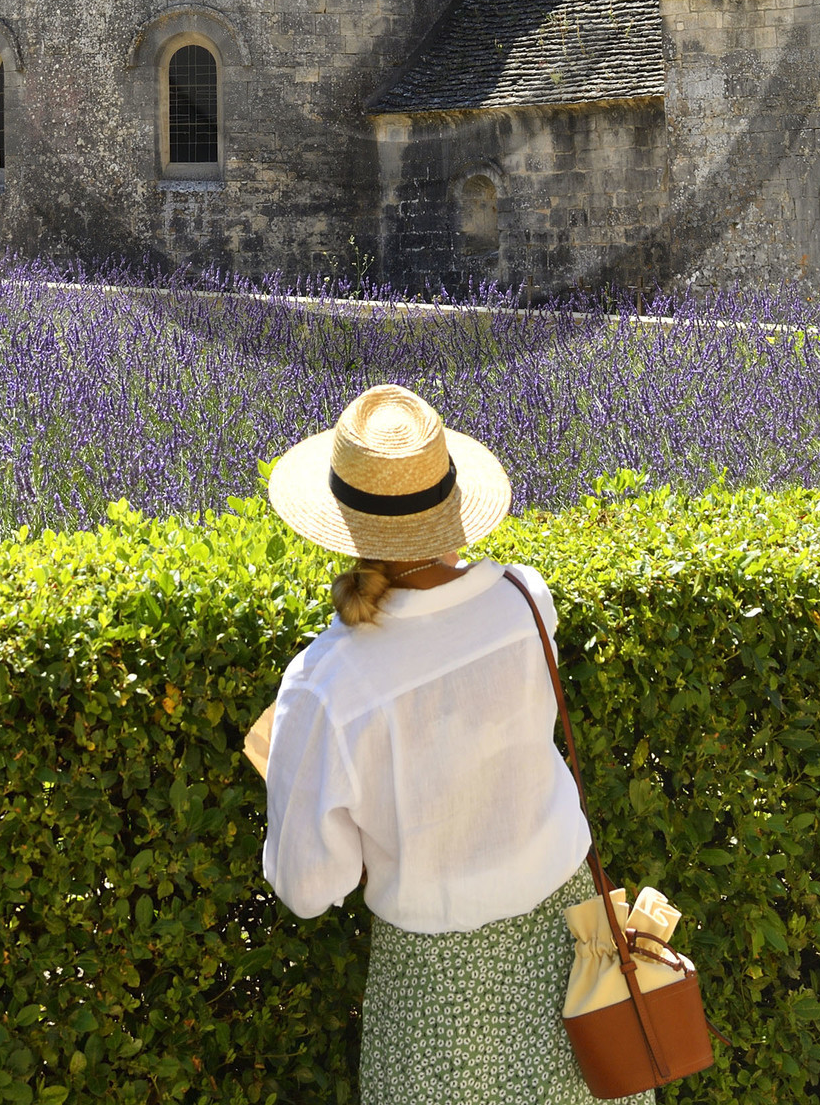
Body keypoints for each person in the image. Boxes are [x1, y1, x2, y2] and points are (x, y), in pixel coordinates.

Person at [261, 381, 654, 1105]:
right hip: (577, 962)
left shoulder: (325, 684)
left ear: (343, 525)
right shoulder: (523, 601)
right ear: (449, 504)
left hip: (436, 1002)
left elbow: (311, 889)